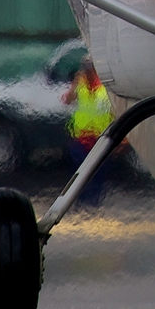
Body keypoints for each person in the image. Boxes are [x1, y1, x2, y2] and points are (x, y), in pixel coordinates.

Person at [62, 59, 112, 206]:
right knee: (80, 173)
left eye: (89, 67)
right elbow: (68, 101)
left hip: (100, 137)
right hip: (81, 137)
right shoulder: (80, 84)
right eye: (84, 67)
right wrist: (75, 84)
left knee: (97, 173)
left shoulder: (105, 85)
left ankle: (94, 203)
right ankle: (82, 203)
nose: (86, 70)